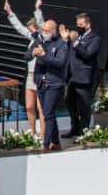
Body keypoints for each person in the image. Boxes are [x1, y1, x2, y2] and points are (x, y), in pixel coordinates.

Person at [3, 0, 45, 138]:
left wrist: (37, 9)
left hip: (40, 75)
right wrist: (10, 12)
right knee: (29, 106)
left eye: (32, 28)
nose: (30, 30)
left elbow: (40, 23)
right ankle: (32, 133)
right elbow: (19, 28)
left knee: (41, 107)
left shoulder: (42, 38)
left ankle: (43, 135)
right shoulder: (32, 38)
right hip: (30, 75)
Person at [31, 18, 69, 151]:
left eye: (47, 30)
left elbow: (60, 62)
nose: (44, 32)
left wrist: (44, 55)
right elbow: (27, 55)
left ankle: (46, 144)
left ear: (53, 31)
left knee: (47, 113)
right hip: (41, 82)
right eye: (43, 30)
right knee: (50, 113)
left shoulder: (61, 44)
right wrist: (33, 53)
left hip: (54, 83)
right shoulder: (41, 41)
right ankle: (56, 142)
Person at [63, 12, 101, 139]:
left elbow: (87, 54)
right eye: (77, 24)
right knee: (70, 103)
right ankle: (74, 128)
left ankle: (83, 132)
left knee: (84, 106)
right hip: (71, 77)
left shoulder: (95, 38)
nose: (78, 27)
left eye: (81, 24)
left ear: (88, 24)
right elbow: (69, 54)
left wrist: (75, 42)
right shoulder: (77, 36)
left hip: (84, 77)